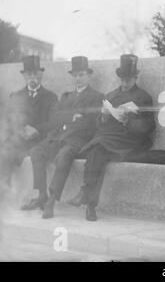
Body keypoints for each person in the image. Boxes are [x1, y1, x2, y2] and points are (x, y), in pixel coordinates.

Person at [67, 54, 156, 221]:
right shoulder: (110, 95)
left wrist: (129, 119)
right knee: (98, 152)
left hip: (130, 139)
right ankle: (90, 205)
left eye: (129, 79)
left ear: (136, 78)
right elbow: (99, 126)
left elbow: (149, 126)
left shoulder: (143, 97)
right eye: (122, 79)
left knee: (97, 148)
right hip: (110, 139)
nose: (125, 83)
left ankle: (86, 195)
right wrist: (104, 116)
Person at [20, 56, 103, 217]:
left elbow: (90, 123)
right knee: (37, 151)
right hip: (58, 136)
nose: (78, 78)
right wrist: (72, 116)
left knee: (64, 156)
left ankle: (51, 199)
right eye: (76, 75)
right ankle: (41, 194)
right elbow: (55, 117)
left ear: (88, 75)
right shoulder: (66, 96)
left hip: (78, 139)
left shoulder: (97, 96)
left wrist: (67, 117)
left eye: (82, 75)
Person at [0, 56, 57, 190]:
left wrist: (36, 129)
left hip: (39, 141)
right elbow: (7, 121)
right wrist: (20, 129)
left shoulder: (50, 97)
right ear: (24, 76)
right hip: (19, 141)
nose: (32, 78)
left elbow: (55, 122)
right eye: (29, 74)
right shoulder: (16, 96)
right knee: (4, 152)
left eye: (35, 74)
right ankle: (4, 190)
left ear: (41, 75)